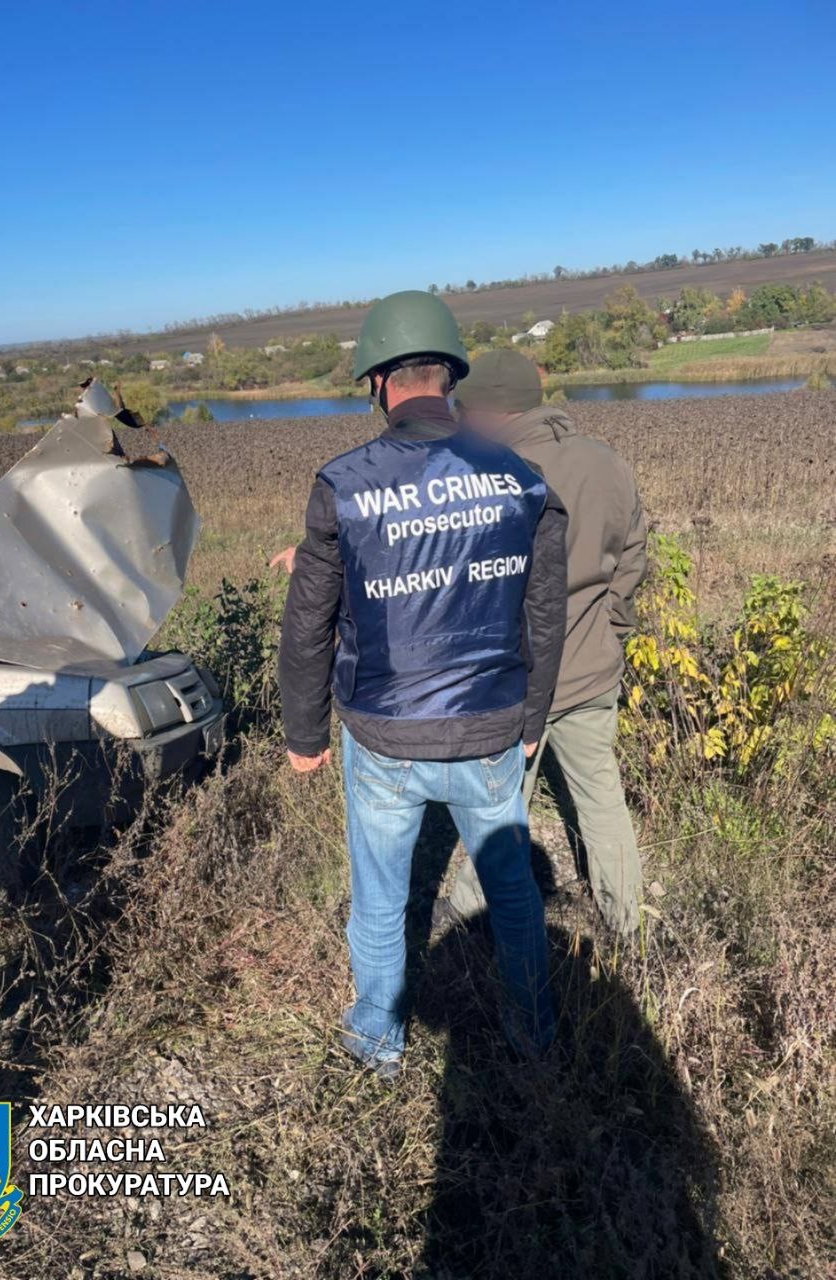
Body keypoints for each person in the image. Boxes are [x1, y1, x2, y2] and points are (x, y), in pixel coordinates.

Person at [277, 291, 568, 1077]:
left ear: (380, 382)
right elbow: (544, 616)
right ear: (450, 376)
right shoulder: (523, 480)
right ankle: (534, 1032)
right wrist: (534, 717)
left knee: (379, 898)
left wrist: (304, 734)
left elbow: (308, 622)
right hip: (493, 731)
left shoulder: (342, 484)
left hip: (382, 736)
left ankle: (377, 1044)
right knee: (512, 894)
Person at [442, 349, 647, 934]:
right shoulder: (604, 461)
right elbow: (632, 557)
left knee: (498, 804)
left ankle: (466, 911)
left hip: (512, 682)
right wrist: (612, 631)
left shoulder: (482, 475)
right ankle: (629, 924)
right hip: (592, 668)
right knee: (601, 796)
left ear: (485, 411)